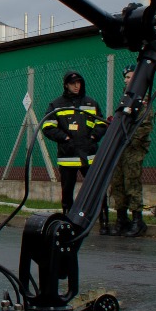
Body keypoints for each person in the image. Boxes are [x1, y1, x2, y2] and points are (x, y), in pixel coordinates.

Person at [42, 70, 107, 214]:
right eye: (73, 83)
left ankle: (103, 218)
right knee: (67, 190)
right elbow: (47, 127)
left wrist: (93, 138)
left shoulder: (91, 102)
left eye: (78, 83)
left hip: (89, 154)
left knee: (97, 187)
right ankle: (67, 218)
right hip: (68, 156)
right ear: (66, 85)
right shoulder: (57, 104)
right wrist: (64, 139)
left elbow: (101, 124)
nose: (76, 86)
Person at [106, 65, 153, 237]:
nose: (126, 80)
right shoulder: (125, 98)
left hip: (133, 148)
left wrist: (130, 139)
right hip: (120, 147)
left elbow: (145, 125)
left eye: (130, 77)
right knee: (117, 182)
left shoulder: (141, 100)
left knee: (132, 182)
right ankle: (121, 218)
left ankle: (137, 220)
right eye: (125, 77)